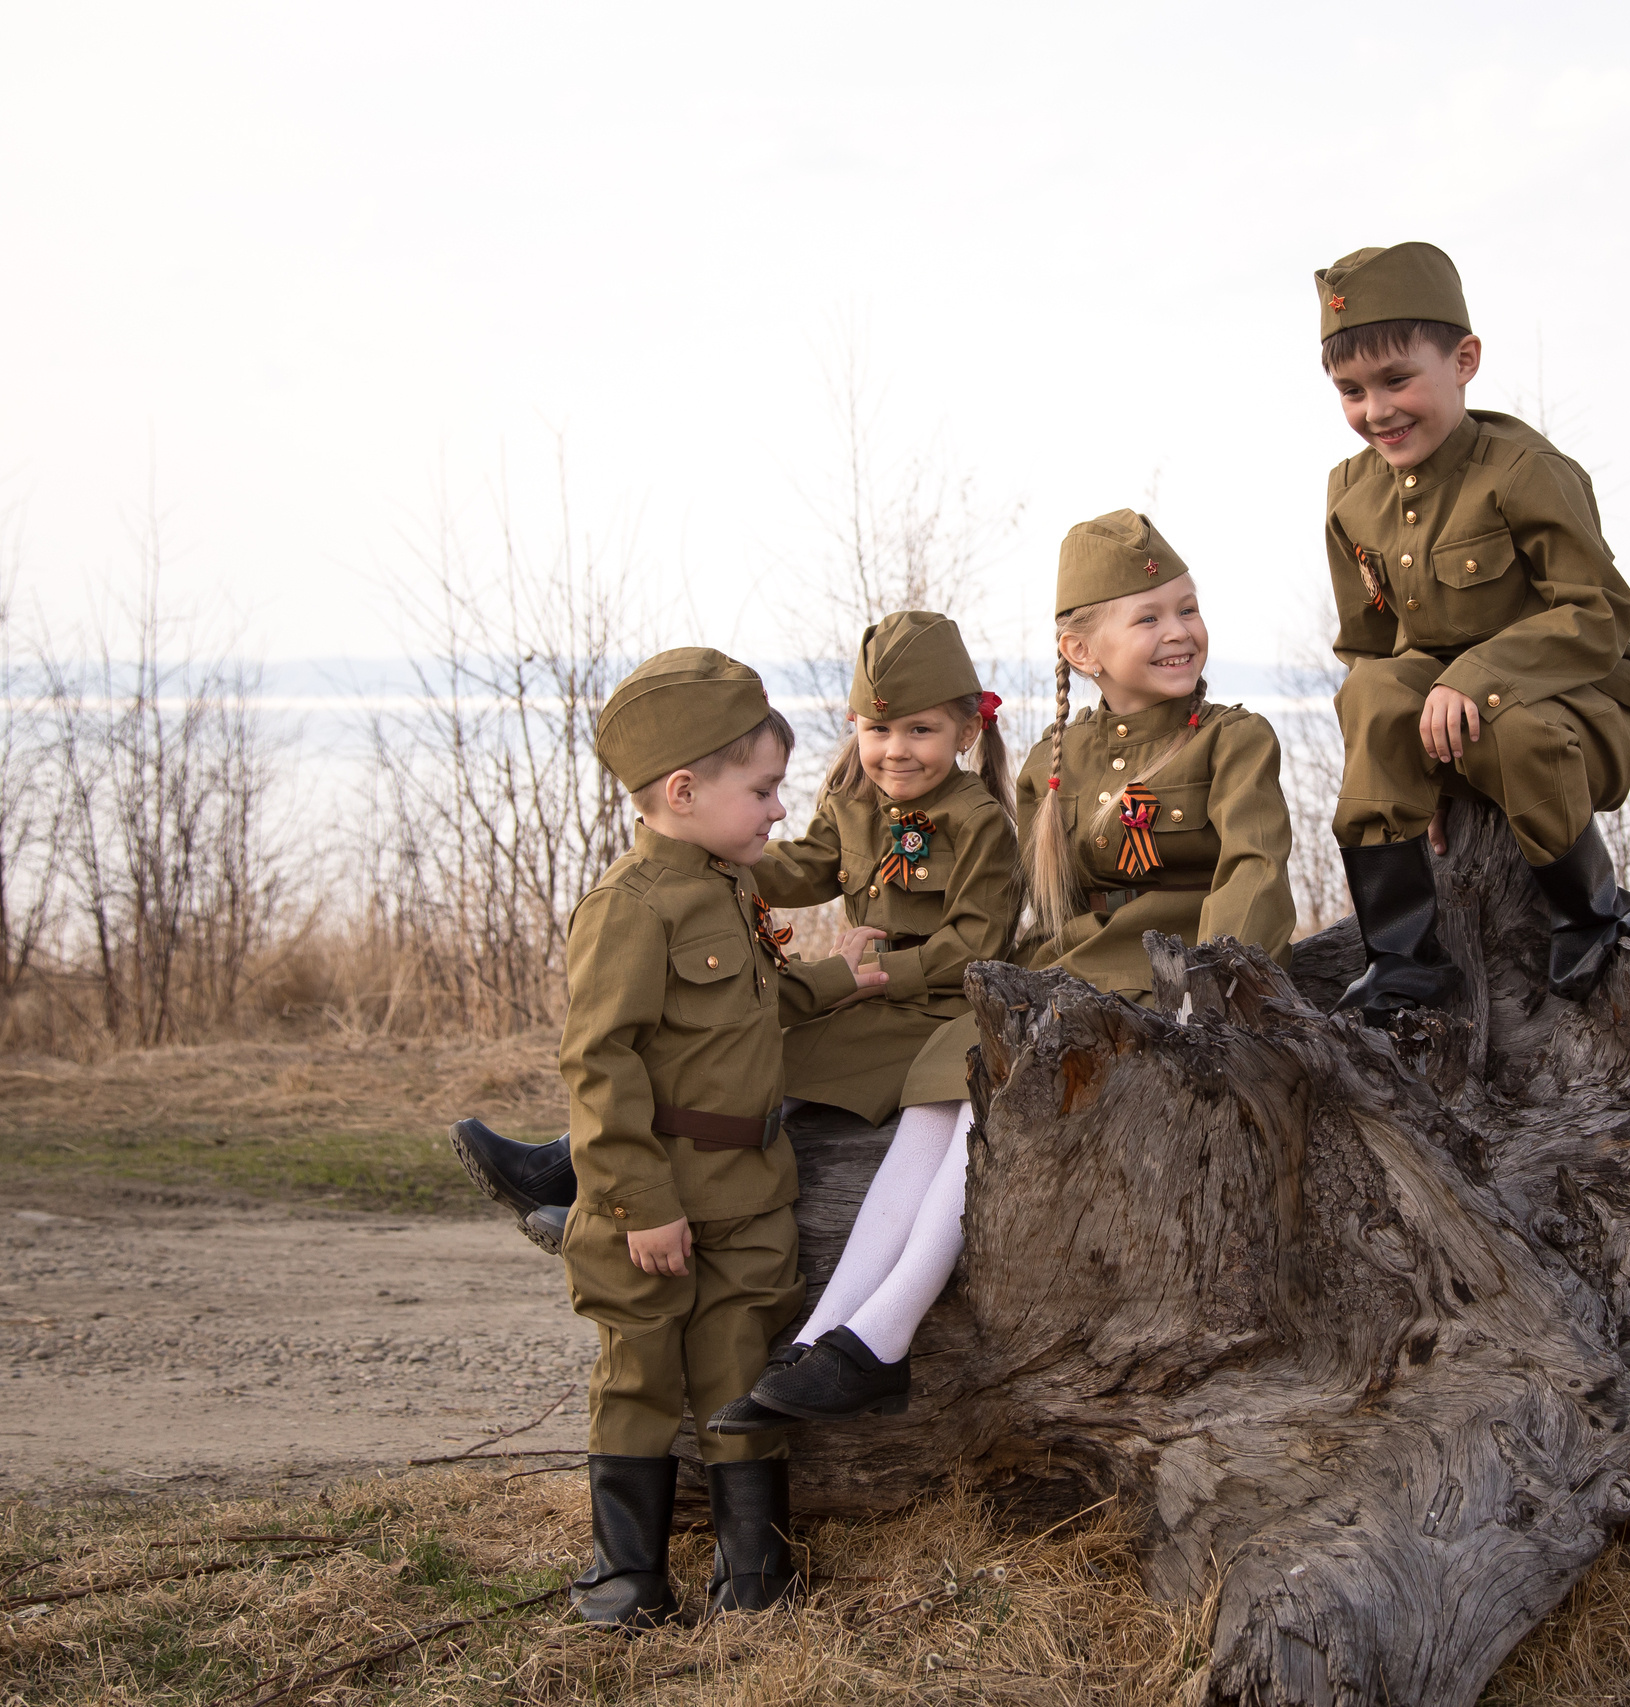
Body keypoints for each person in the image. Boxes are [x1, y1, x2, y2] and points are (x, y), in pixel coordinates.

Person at [710, 509, 1296, 1430]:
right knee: (937, 1099)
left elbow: (1254, 870)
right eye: (1148, 617)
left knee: (990, 1098)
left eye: (1185, 608)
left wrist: (1208, 1000)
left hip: (1153, 980)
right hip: (1057, 969)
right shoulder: (1054, 760)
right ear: (1080, 647)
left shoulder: (1234, 737)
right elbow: (1018, 890)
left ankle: (883, 1337)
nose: (1178, 630)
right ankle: (820, 1335)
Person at [450, 611, 1020, 1251]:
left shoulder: (979, 822)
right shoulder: (853, 803)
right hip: (860, 992)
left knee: (758, 1062)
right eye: (878, 729)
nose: (895, 750)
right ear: (853, 727)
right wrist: (710, 855)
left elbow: (978, 943)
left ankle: (588, 1198)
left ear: (968, 730)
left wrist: (880, 979)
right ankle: (582, 1183)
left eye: (921, 730)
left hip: (928, 1010)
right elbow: (803, 870)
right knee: (716, 1054)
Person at [554, 648, 885, 1630]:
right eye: (764, 790)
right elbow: (599, 1067)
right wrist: (640, 1207)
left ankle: (754, 1578)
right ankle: (626, 1583)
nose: (778, 812)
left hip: (749, 1187)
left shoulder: (729, 886)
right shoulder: (630, 907)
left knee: (742, 1368)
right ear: (685, 791)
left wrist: (838, 978)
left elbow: (752, 1004)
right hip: (654, 1196)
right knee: (641, 1377)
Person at [1313, 241, 1630, 1023]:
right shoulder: (1350, 495)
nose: (1377, 410)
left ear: (1464, 359)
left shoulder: (1523, 470)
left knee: (1508, 723)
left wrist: (1471, 677)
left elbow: (1598, 615)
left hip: (1584, 702)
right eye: (1351, 390)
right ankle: (1402, 959)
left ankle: (1591, 910)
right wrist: (1409, 766)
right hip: (1456, 713)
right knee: (1369, 693)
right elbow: (1369, 648)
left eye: (1398, 379)